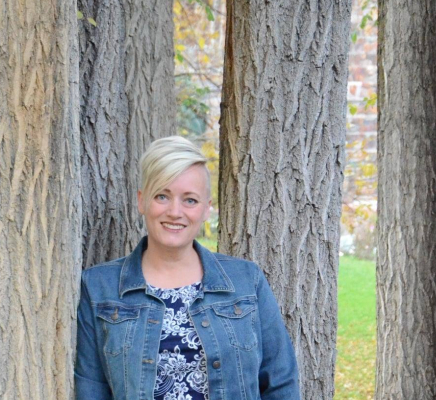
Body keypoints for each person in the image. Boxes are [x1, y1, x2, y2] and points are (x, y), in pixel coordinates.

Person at [75, 136, 300, 400]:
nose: (175, 211)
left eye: (190, 200)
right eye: (162, 196)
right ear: (141, 201)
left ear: (206, 209)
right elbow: (91, 389)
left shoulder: (246, 281)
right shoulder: (100, 287)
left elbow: (280, 381)